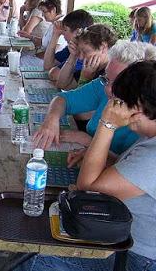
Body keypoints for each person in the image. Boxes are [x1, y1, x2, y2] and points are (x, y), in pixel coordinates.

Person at [76, 60, 156, 271]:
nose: (114, 105)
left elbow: (88, 187)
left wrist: (107, 124)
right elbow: (130, 171)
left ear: (137, 108)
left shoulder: (153, 156)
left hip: (142, 256)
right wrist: (96, 154)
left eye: (119, 101)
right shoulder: (150, 138)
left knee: (40, 261)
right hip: (127, 238)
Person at [33, 41, 156, 157]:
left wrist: (87, 141)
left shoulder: (146, 119)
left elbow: (129, 166)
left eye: (120, 82)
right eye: (107, 78)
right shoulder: (102, 84)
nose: (108, 89)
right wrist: (51, 120)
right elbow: (63, 99)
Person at [56, 24, 117, 90]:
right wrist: (73, 56)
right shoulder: (91, 67)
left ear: (103, 48)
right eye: (79, 51)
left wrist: (84, 80)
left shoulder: (110, 74)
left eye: (85, 52)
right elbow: (61, 85)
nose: (81, 58)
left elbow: (81, 99)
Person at [43, 9, 93, 82]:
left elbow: (54, 75)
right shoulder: (70, 48)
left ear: (77, 32)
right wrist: (55, 35)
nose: (63, 33)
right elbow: (47, 66)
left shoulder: (85, 53)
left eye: (65, 30)